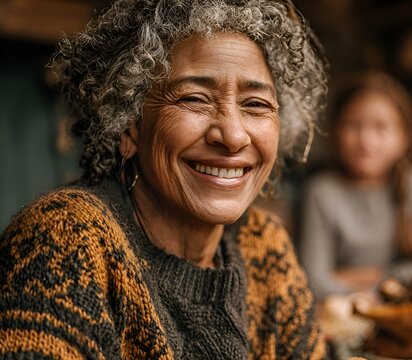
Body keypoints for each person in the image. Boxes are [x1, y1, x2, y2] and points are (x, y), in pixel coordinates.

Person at [0, 0, 329, 358]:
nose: (234, 136)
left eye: (256, 104)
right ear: (128, 124)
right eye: (194, 98)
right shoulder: (68, 236)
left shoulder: (264, 246)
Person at [298, 71, 412, 301]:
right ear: (336, 132)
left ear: (404, 137)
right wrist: (391, 282)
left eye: (381, 127)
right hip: (342, 318)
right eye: (353, 125)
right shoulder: (321, 191)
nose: (366, 141)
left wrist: (355, 278)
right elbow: (313, 281)